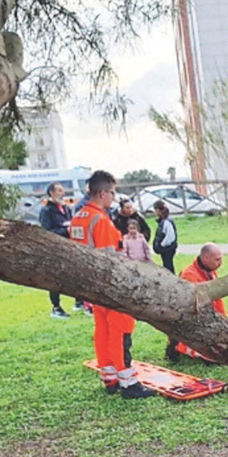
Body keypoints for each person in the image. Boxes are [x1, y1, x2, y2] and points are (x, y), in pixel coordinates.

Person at [69, 170, 155, 398]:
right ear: (103, 192)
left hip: (89, 287)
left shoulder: (79, 217)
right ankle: (129, 383)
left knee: (103, 331)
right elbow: (111, 260)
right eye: (112, 193)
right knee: (121, 331)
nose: (113, 198)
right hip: (109, 287)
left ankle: (110, 379)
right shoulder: (101, 221)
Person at [168, 243, 226, 363]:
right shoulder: (189, 275)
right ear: (205, 259)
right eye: (217, 259)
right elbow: (192, 309)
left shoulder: (210, 272)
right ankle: (178, 347)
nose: (221, 263)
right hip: (191, 322)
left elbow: (218, 302)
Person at [40, 182, 79, 317]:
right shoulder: (46, 211)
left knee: (76, 275)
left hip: (69, 247)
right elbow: (47, 232)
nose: (62, 193)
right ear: (51, 193)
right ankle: (56, 307)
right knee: (56, 279)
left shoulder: (66, 209)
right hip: (55, 250)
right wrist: (65, 230)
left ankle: (79, 302)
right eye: (59, 191)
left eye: (63, 190)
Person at [120, 219, 153, 367]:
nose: (133, 230)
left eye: (135, 228)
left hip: (142, 263)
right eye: (130, 228)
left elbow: (146, 250)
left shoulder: (141, 238)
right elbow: (124, 252)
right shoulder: (125, 240)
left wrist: (149, 260)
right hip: (132, 264)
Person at [151, 200, 179, 273]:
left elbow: (170, 236)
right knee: (167, 264)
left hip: (167, 248)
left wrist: (162, 245)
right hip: (166, 248)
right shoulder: (164, 221)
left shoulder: (166, 222)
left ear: (157, 210)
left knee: (168, 265)